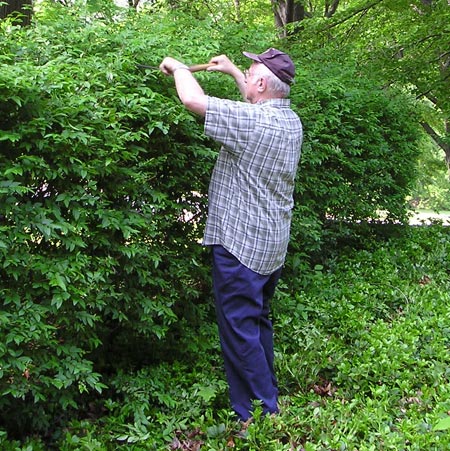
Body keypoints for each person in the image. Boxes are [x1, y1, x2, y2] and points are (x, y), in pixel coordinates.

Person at [160, 48, 303, 421]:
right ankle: (265, 395)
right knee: (257, 322)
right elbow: (258, 100)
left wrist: (177, 67)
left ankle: (261, 412)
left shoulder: (253, 124)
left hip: (240, 248)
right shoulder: (289, 121)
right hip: (270, 246)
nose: (249, 74)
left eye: (251, 70)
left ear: (260, 83)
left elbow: (193, 99)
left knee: (239, 330)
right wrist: (235, 72)